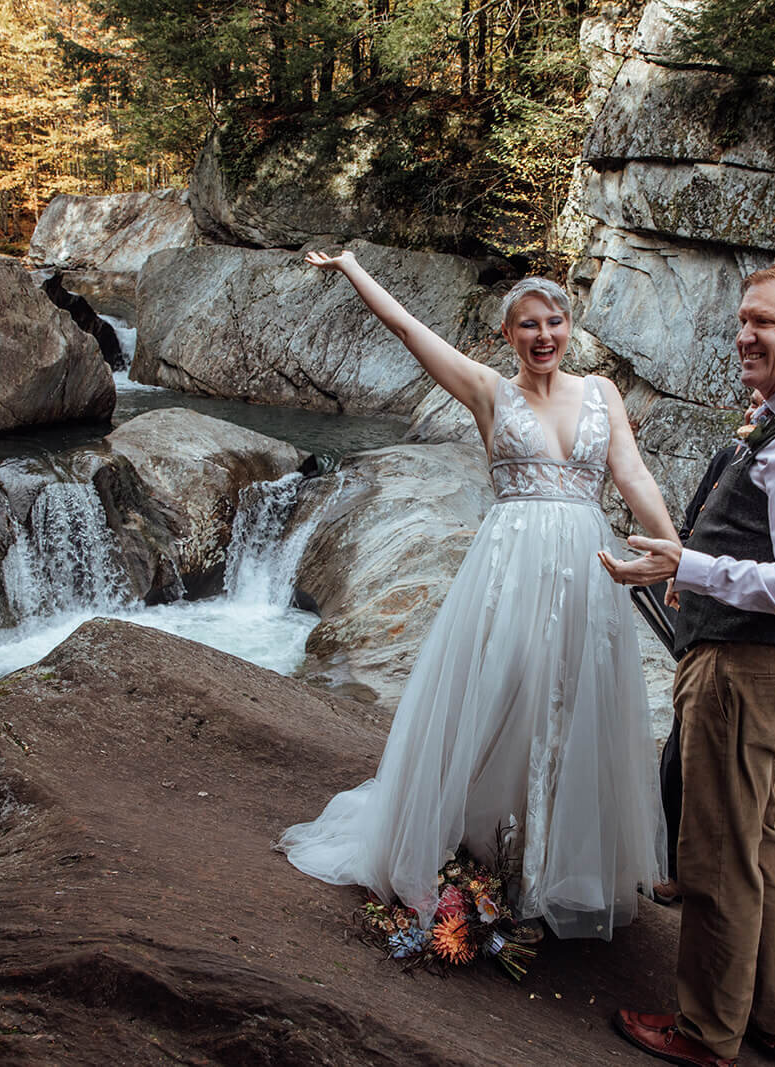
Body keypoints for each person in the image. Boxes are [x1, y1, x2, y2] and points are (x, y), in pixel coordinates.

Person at [277, 249, 676, 939]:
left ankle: (553, 868)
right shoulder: (491, 391)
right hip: (510, 571)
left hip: (588, 572)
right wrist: (349, 266)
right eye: (528, 325)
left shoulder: (601, 393)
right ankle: (488, 850)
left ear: (569, 325)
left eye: (554, 321)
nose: (543, 335)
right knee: (500, 701)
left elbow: (632, 473)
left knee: (575, 708)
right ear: (507, 334)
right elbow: (406, 328)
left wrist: (671, 552)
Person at [601, 258, 775, 1064]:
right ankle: (771, 1015)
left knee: (718, 853)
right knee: (763, 842)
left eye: (767, 321)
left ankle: (705, 1032)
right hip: (756, 663)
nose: (745, 333)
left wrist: (689, 566)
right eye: (744, 317)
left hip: (749, 671)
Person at [652, 400, 775, 909]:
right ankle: (676, 868)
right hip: (707, 631)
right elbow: (696, 524)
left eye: (767, 404)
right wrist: (680, 577)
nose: (755, 408)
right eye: (753, 403)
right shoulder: (731, 456)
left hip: (768, 643)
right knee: (679, 756)